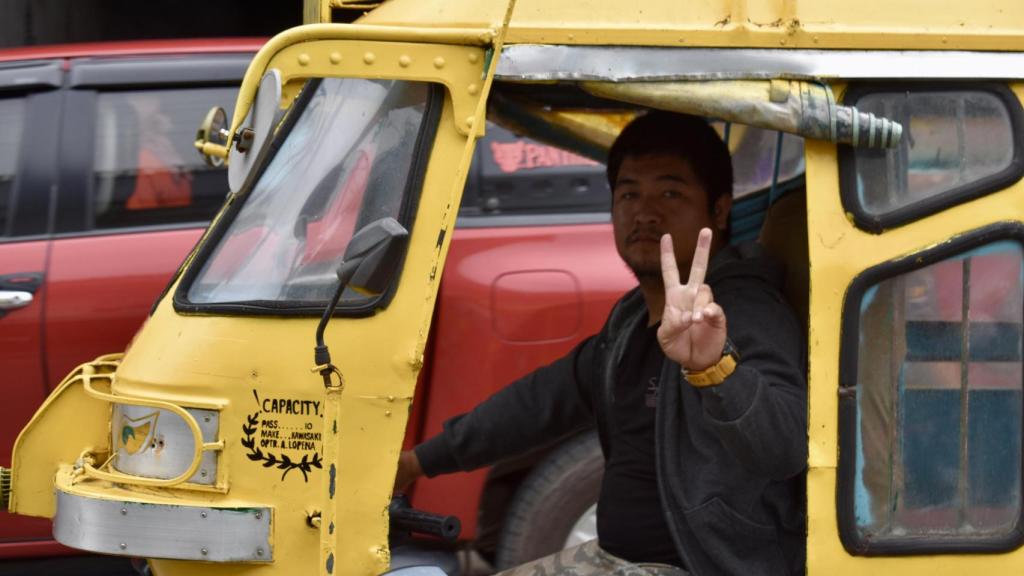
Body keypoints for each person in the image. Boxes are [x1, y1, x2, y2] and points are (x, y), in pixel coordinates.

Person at [395, 111, 807, 576]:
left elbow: (787, 446)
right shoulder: (632, 317)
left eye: (671, 192)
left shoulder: (744, 310)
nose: (645, 212)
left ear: (719, 210)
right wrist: (418, 462)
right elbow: (542, 401)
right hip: (614, 561)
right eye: (629, 193)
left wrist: (716, 370)